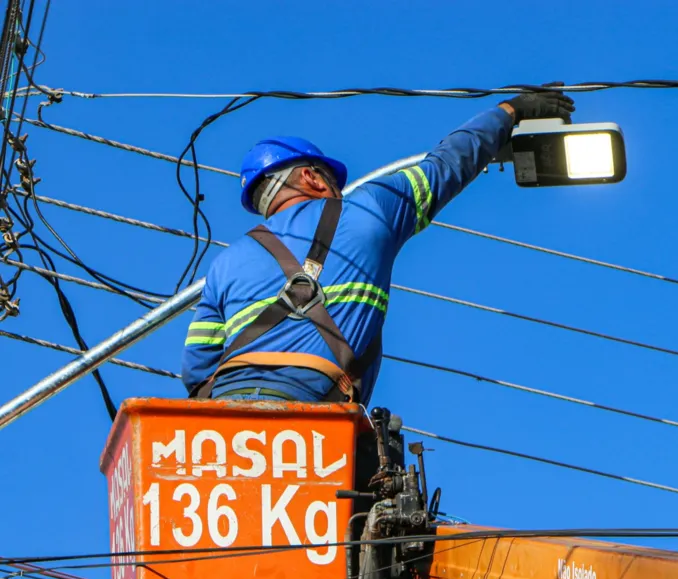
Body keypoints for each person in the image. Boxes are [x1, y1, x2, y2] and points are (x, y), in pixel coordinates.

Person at [181, 91, 575, 403]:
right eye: (331, 180)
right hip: (317, 417)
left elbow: (196, 370)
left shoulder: (224, 264)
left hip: (224, 423)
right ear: (310, 178)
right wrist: (510, 111)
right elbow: (449, 163)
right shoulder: (369, 210)